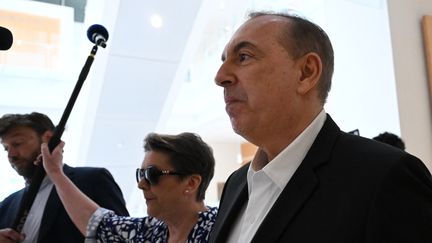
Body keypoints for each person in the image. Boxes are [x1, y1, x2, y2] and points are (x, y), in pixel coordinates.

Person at [209, 11, 432, 243]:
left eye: (244, 57)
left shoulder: (384, 177)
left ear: (306, 73)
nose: (220, 76)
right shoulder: (236, 184)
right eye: (223, 60)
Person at [40, 132, 217, 242]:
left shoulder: (223, 227)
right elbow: (97, 223)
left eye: (152, 174)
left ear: (191, 183)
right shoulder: (151, 231)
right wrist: (56, 173)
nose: (141, 184)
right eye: (140, 175)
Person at [0, 112, 129, 243]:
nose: (11, 155)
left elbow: (122, 237)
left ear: (49, 139)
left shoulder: (93, 180)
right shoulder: (6, 205)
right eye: (5, 148)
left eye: (17, 143)